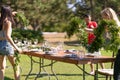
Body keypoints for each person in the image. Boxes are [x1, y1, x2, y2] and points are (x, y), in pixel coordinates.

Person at [0, 5, 22, 80]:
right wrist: (16, 47)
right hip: (7, 46)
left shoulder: (1, 20)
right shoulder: (8, 22)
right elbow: (8, 36)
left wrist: (11, 13)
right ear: (8, 12)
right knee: (16, 67)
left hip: (0, 46)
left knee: (2, 68)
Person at [101, 7, 120, 80]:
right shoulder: (114, 24)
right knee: (117, 75)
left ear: (109, 15)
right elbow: (96, 31)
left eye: (104, 17)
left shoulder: (115, 24)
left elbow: (117, 37)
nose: (103, 19)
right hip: (119, 51)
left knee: (117, 75)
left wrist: (108, 30)